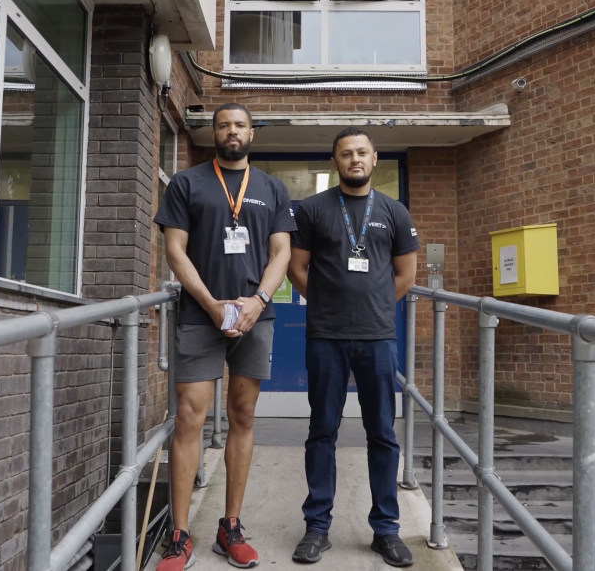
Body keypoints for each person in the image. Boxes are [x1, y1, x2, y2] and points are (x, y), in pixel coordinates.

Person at [154, 103, 296, 570]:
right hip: (200, 314)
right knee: (190, 416)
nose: (232, 131)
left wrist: (257, 301)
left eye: (239, 125)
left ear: (252, 131)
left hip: (256, 317)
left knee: (243, 414)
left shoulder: (272, 188)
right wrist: (213, 304)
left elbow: (281, 253)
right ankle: (179, 533)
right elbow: (174, 250)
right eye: (223, 125)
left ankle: (229, 527)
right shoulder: (188, 182)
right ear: (214, 132)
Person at [287, 127, 419, 567]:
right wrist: (329, 305)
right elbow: (296, 268)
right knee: (322, 431)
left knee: (381, 433)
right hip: (326, 336)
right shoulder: (312, 209)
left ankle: (386, 529)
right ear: (335, 161)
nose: (354, 159)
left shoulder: (394, 211)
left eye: (362, 152)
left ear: (374, 158)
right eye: (346, 153)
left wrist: (374, 307)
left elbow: (406, 275)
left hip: (378, 337)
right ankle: (317, 527)